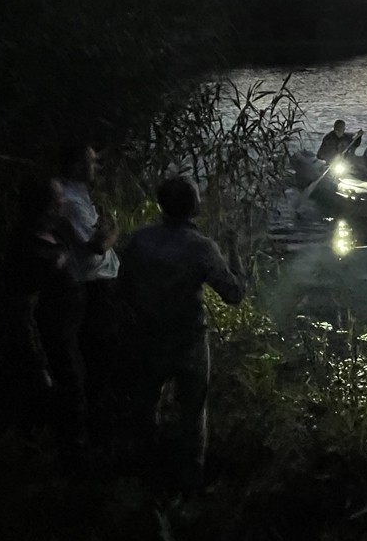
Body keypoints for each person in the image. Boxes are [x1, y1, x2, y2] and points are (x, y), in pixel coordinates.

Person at [120, 175, 247, 496]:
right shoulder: (201, 247)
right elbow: (234, 293)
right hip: (189, 341)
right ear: (194, 206)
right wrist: (234, 249)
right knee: (192, 412)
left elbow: (123, 286)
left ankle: (143, 471)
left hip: (148, 335)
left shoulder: (139, 240)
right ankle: (190, 480)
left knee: (146, 403)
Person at [56, 142, 121, 443]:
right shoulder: (70, 200)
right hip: (93, 287)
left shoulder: (76, 196)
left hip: (98, 285)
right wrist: (112, 229)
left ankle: (98, 426)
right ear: (73, 166)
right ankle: (95, 433)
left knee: (102, 356)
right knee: (100, 358)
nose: (96, 167)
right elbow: (96, 245)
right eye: (90, 162)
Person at [2, 176, 72, 436]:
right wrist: (39, 364)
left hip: (64, 338)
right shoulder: (28, 249)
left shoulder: (53, 235)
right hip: (48, 343)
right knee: (51, 405)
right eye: (59, 199)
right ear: (47, 206)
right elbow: (22, 311)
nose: (64, 202)